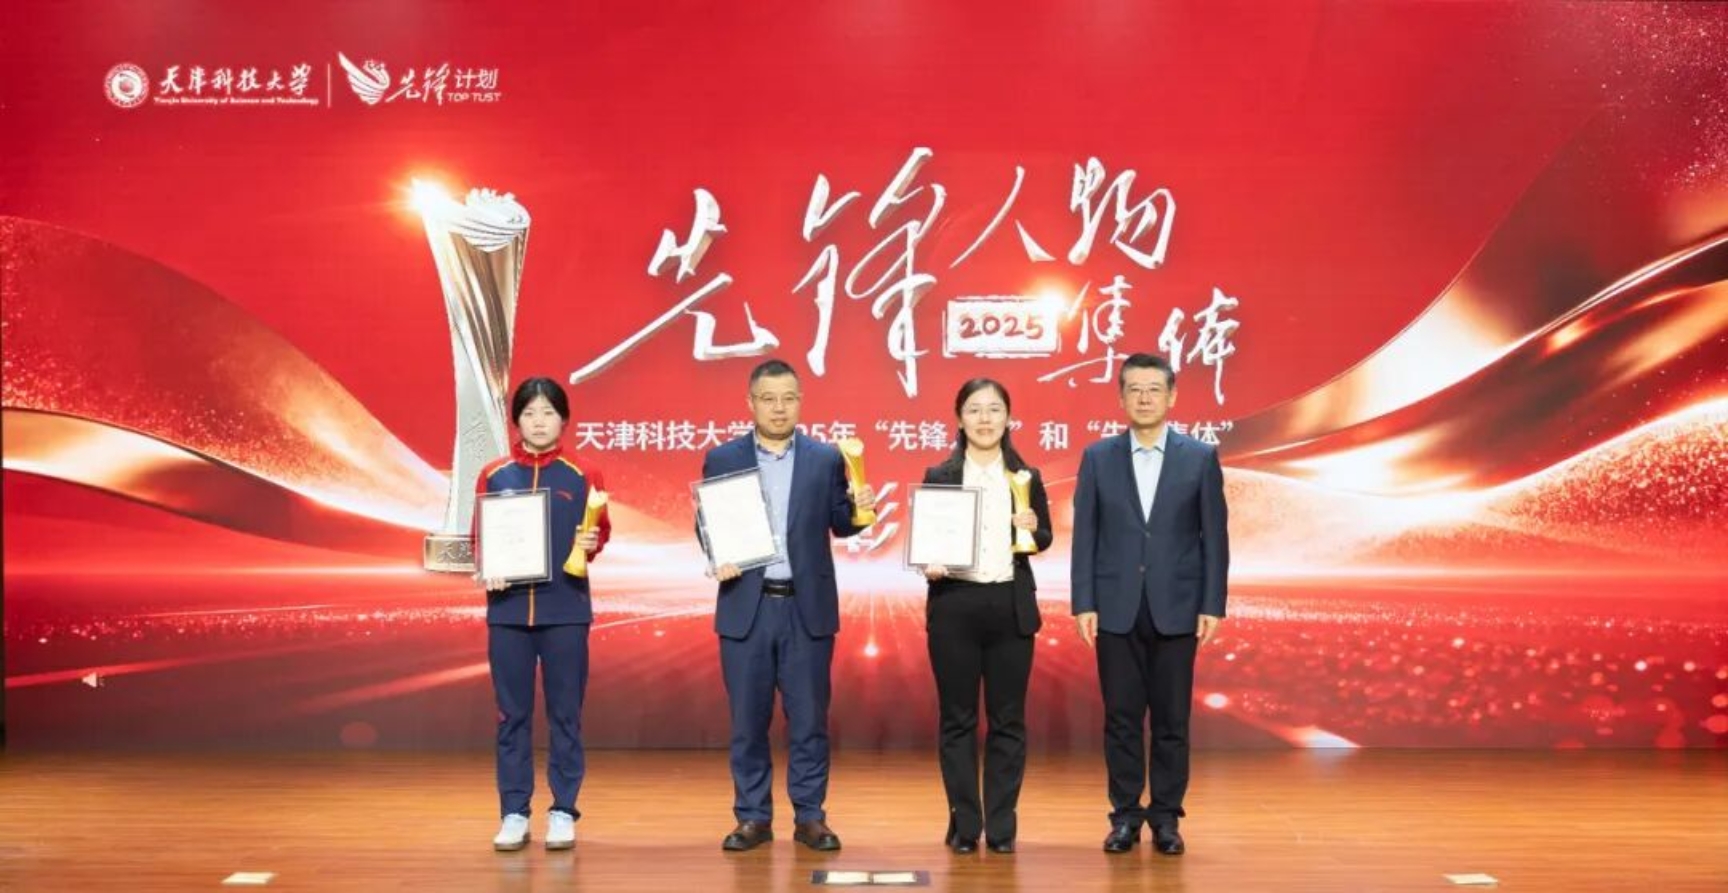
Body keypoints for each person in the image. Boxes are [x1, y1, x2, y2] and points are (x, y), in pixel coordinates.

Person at [701, 358, 875, 853]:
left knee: (809, 721)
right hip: (747, 607)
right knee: (747, 723)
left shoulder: (825, 458)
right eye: (768, 399)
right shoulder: (723, 458)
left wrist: (861, 507)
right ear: (750, 402)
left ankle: (810, 816)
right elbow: (707, 522)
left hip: (806, 608)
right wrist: (717, 554)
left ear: (800, 401)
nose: (779, 408)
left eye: (788, 398)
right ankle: (752, 817)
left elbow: (841, 522)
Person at [1070, 352, 1229, 857]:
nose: (1144, 398)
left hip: (1178, 606)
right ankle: (1124, 817)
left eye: (1154, 389)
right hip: (1114, 606)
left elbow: (1214, 537)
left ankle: (1165, 818)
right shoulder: (1098, 457)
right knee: (1120, 718)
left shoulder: (1198, 457)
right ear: (1120, 398)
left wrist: (1212, 603)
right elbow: (1085, 535)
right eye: (1134, 389)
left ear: (1171, 396)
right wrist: (1083, 601)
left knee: (1171, 721)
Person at [474, 377, 610, 852]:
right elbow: (479, 538)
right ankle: (514, 812)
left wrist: (592, 542)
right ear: (516, 420)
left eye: (548, 412)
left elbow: (600, 532)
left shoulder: (584, 472)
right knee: (511, 717)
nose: (538, 422)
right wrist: (488, 566)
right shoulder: (495, 474)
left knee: (565, 715)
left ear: (564, 419)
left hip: (566, 610)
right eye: (529, 413)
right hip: (508, 613)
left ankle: (563, 810)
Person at [920, 378, 1052, 855]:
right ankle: (964, 823)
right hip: (954, 606)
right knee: (957, 720)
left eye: (994, 409)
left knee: (1008, 721)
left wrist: (1032, 529)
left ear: (1008, 418)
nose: (984, 419)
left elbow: (1044, 537)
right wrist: (929, 560)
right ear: (959, 418)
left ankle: (1001, 826)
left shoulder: (1026, 476)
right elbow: (927, 541)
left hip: (1010, 608)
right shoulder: (940, 475)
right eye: (974, 409)